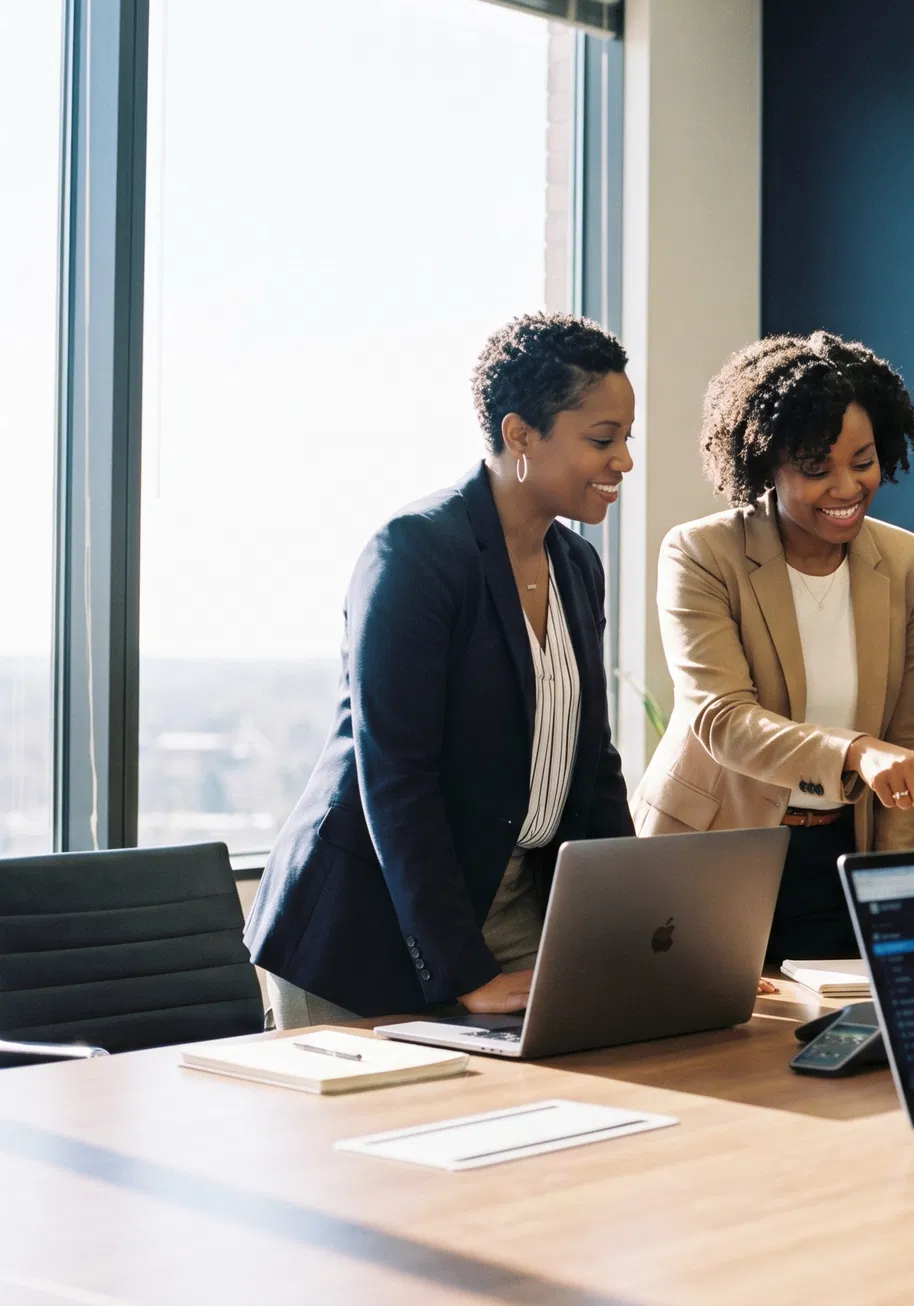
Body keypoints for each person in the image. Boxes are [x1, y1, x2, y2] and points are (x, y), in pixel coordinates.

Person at [247, 313, 638, 1025]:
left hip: (509, 910)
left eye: (625, 440)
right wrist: (463, 970)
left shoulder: (577, 567)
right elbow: (397, 779)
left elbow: (593, 765)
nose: (624, 462)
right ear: (520, 434)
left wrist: (645, 943)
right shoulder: (415, 554)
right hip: (366, 934)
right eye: (602, 440)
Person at [635, 331, 914, 964]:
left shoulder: (904, 560)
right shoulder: (700, 554)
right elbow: (721, 719)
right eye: (815, 468)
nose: (847, 487)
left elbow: (906, 743)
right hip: (715, 854)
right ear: (765, 464)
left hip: (838, 860)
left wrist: (900, 902)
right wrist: (856, 751)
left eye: (864, 460)